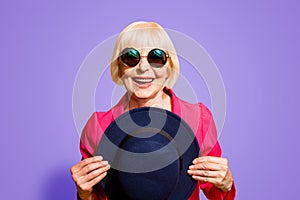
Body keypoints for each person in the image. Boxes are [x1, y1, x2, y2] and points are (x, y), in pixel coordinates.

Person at [70, 21, 236, 200]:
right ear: (119, 68)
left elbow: (218, 194)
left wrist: (225, 185)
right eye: (130, 57)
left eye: (156, 57)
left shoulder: (198, 118)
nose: (143, 68)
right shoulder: (98, 127)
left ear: (169, 67)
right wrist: (84, 194)